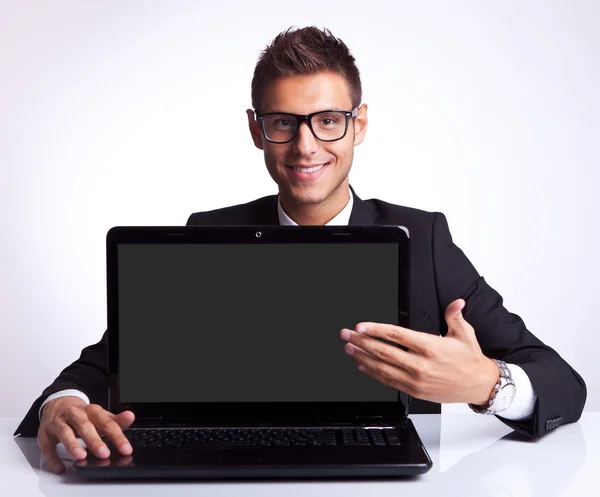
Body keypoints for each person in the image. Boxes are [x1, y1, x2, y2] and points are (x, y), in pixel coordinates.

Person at [14, 26, 586, 474]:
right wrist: (61, 403)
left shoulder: (425, 239)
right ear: (256, 129)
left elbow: (563, 381)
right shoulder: (209, 233)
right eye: (284, 122)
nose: (306, 145)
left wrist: (487, 385)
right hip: (226, 473)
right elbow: (108, 361)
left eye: (329, 120)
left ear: (359, 125)